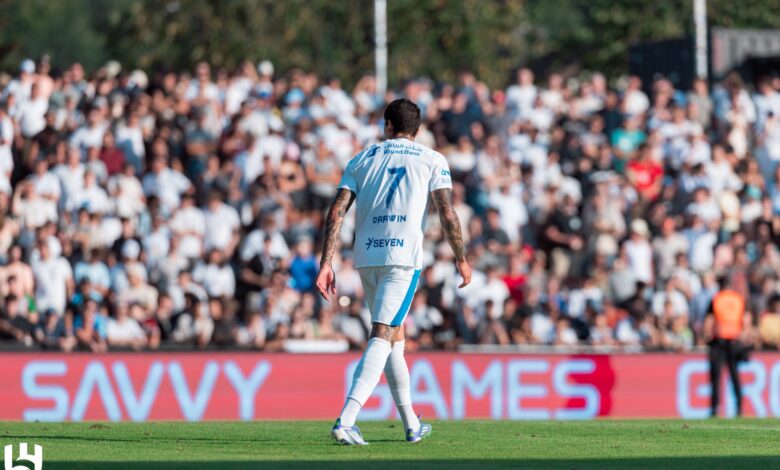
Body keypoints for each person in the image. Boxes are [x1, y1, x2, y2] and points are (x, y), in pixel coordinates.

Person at [315, 99, 471, 445]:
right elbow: (446, 212)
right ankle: (347, 419)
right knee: (383, 334)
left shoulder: (362, 158)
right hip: (402, 259)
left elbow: (336, 211)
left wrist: (326, 262)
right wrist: (460, 256)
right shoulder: (432, 158)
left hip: (366, 257)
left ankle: (412, 424)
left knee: (395, 341)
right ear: (417, 129)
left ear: (387, 125)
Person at [703, 277, 747, 417]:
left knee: (715, 376)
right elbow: (746, 320)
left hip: (719, 341)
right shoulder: (738, 299)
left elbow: (709, 320)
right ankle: (739, 407)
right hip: (734, 340)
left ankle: (715, 408)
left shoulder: (716, 298)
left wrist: (706, 337)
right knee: (735, 375)